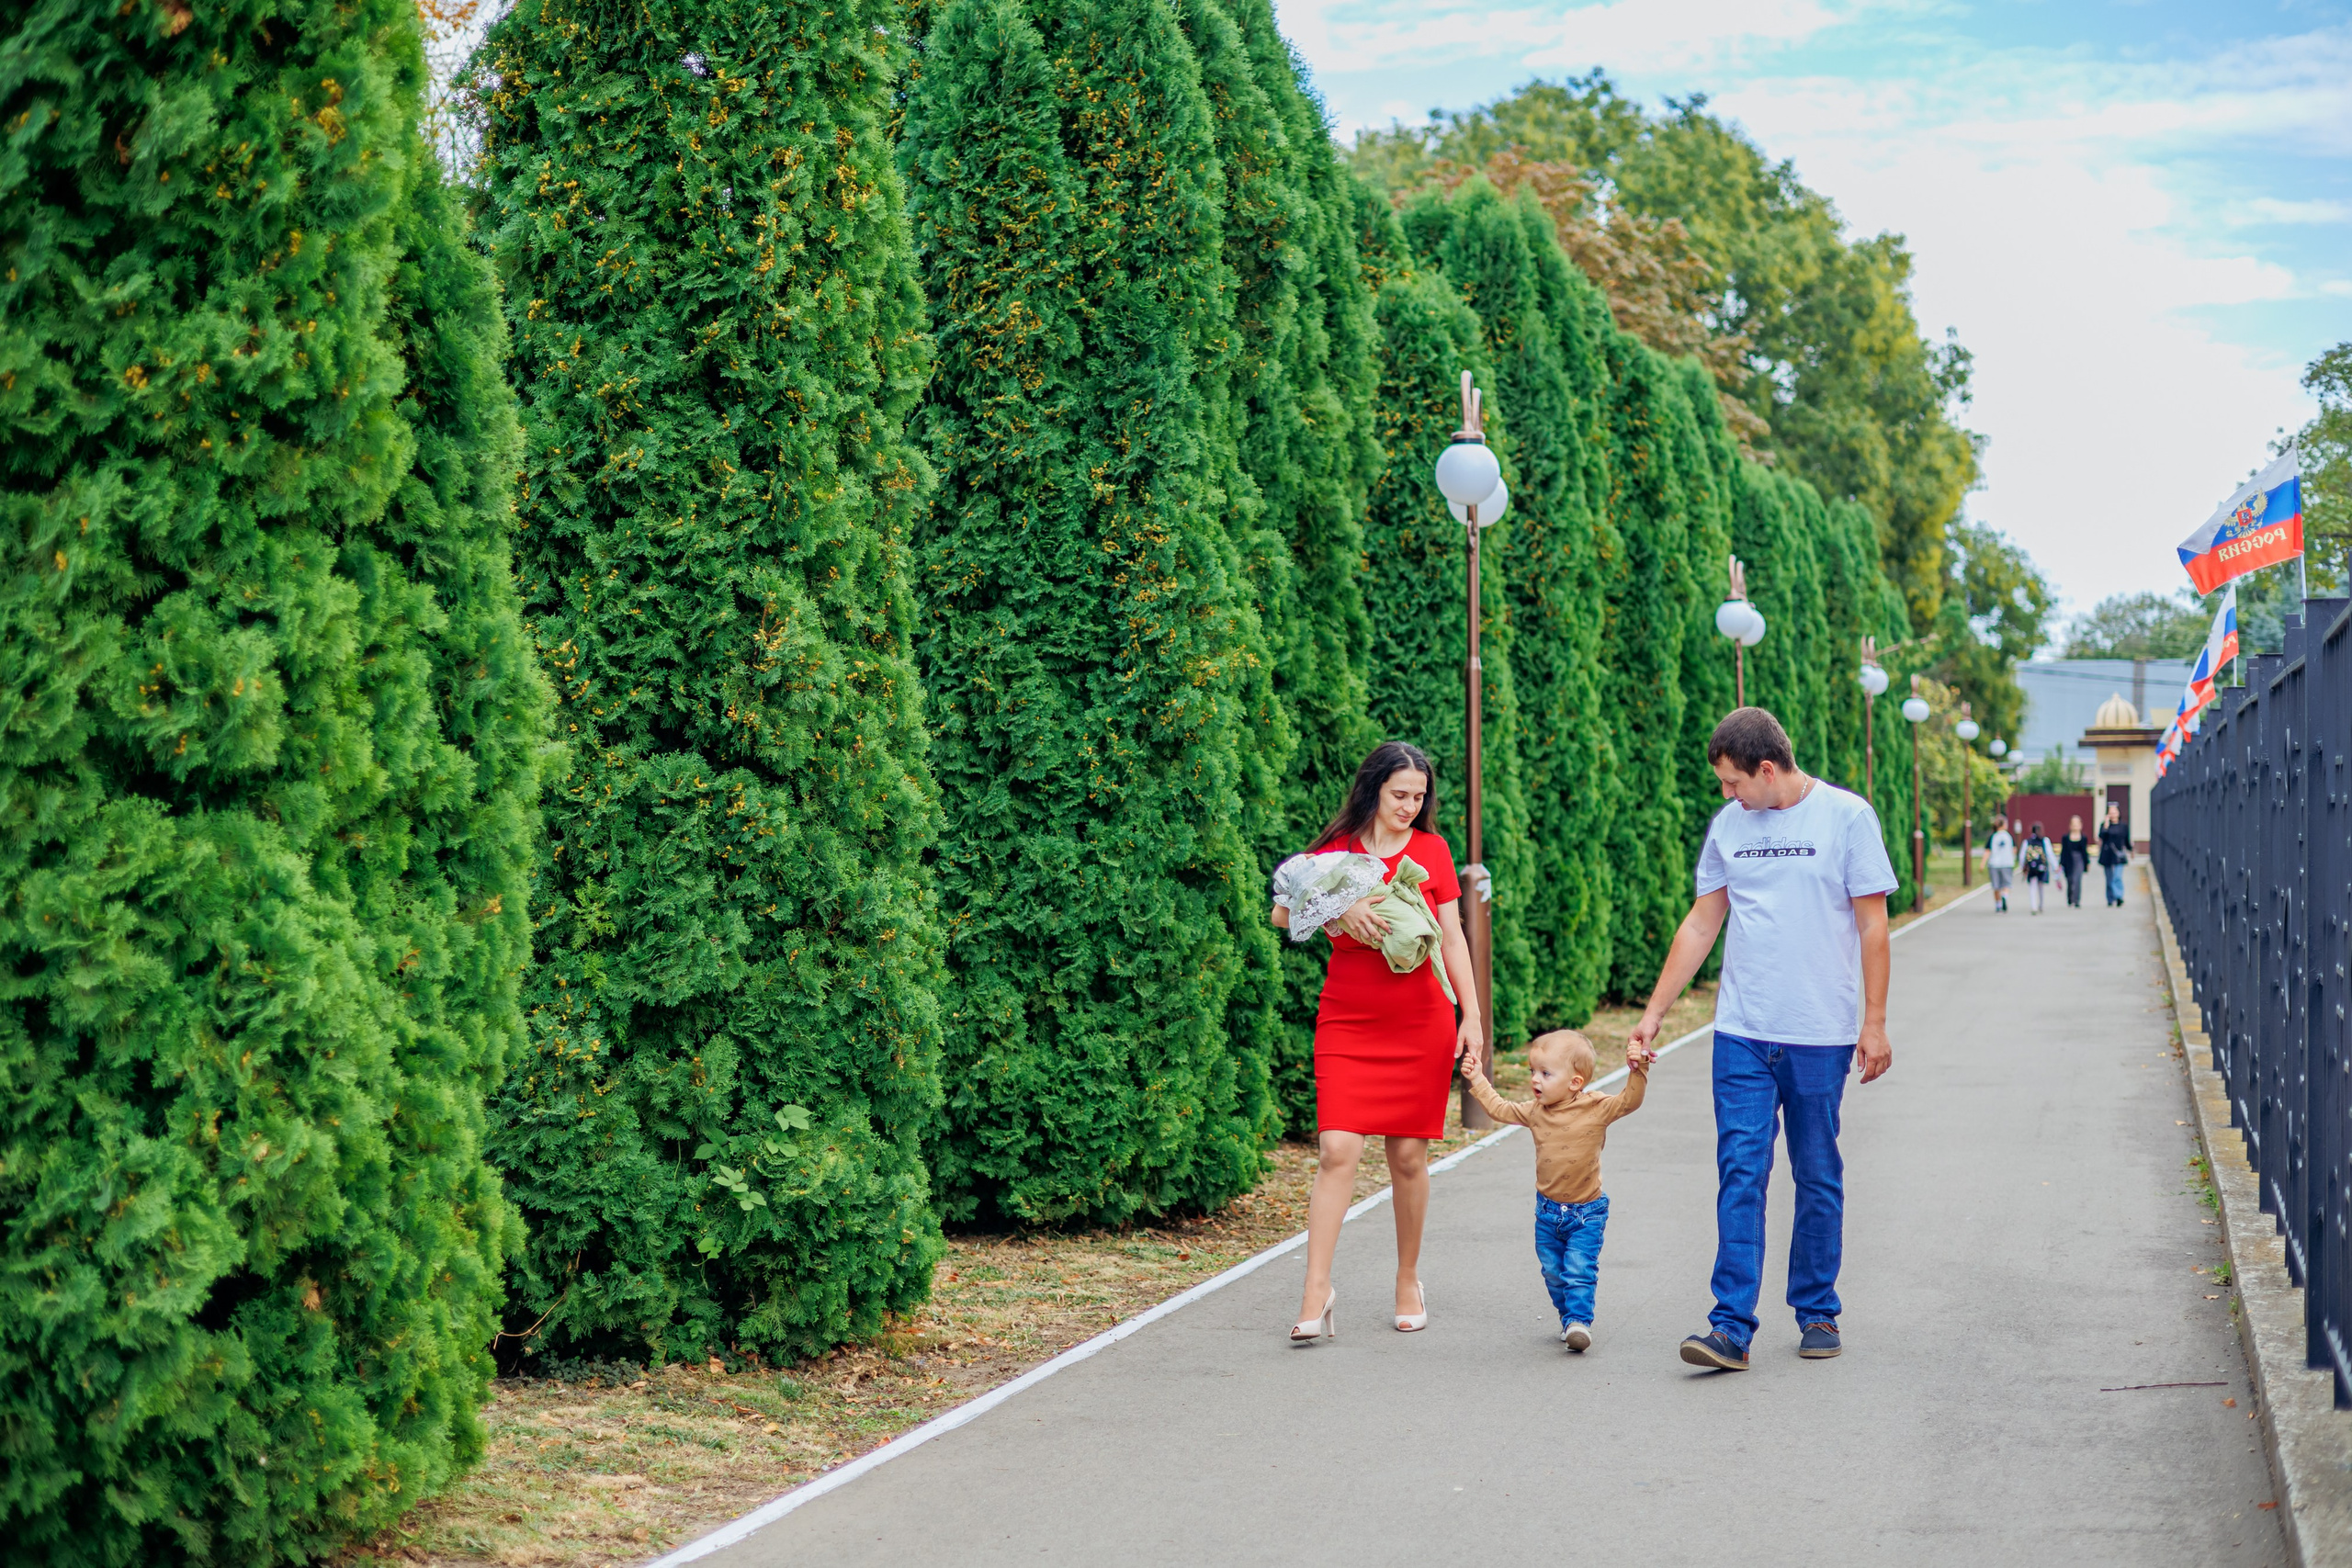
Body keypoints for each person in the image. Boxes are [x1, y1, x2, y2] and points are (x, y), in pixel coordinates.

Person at [1627, 707, 1896, 1370]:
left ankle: (1817, 1309)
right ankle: (1731, 1327)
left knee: (1816, 1172)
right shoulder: (1730, 826)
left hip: (1819, 1033)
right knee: (1741, 1172)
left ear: (1767, 769)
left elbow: (1873, 925)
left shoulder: (1847, 817)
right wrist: (1655, 1011)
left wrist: (1875, 1021)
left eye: (1733, 781)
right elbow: (1702, 923)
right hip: (1742, 1033)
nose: (1728, 794)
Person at [1272, 741, 1479, 1342]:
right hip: (1349, 1017)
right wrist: (1341, 909)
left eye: (1419, 796)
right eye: (1399, 795)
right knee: (1337, 1149)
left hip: (1422, 1017)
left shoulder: (1433, 850)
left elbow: (1453, 937)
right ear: (1373, 790)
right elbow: (1282, 914)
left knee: (1408, 1157)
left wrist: (1472, 1016)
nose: (1410, 806)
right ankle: (1316, 1289)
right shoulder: (1335, 851)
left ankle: (1408, 1278)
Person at [1460, 1029, 1655, 1351]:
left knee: (1579, 1269)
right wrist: (1477, 1078)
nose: (1535, 1079)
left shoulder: (1596, 1107)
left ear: (1575, 1082)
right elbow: (1499, 1108)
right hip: (1548, 1213)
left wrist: (1639, 1068)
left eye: (1545, 1073)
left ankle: (1579, 1321)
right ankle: (1568, 1319)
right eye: (1532, 1071)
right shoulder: (1535, 1111)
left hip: (1587, 1213)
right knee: (1553, 1272)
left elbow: (1628, 1101)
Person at [2098, 804, 2131, 907]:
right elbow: (2102, 836)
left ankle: (2119, 896)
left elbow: (2126, 839)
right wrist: (2106, 826)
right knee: (2109, 878)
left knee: (2117, 877)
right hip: (2107, 854)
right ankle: (2110, 898)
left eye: (2114, 812)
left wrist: (2130, 849)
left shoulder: (2123, 826)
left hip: (2118, 855)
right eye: (2110, 813)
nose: (2113, 814)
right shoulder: (2104, 825)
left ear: (2118, 813)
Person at [2018, 821, 2052, 914]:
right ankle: (2041, 905)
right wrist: (2055, 867)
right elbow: (2050, 854)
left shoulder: (2027, 841)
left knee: (2032, 886)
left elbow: (2022, 856)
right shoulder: (2045, 840)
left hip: (2032, 867)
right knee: (2041, 886)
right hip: (2042, 867)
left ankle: (2033, 906)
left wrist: (2022, 867)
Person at [2058, 816, 2091, 909]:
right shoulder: (2065, 837)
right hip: (2069, 860)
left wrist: (2087, 863)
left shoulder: (2083, 838)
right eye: (2074, 824)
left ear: (2081, 825)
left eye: (2077, 824)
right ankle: (2070, 898)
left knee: (2077, 880)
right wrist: (2061, 863)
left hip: (2079, 860)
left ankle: (2076, 900)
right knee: (2070, 880)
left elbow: (2084, 852)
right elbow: (2063, 851)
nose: (2075, 826)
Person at [1985, 820, 2016, 912]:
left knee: (1996, 886)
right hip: (2007, 863)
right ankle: (2004, 896)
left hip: (1994, 864)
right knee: (2006, 884)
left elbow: (1988, 851)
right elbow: (2014, 849)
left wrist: (1982, 864)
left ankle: (1998, 905)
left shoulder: (1993, 836)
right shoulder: (2008, 836)